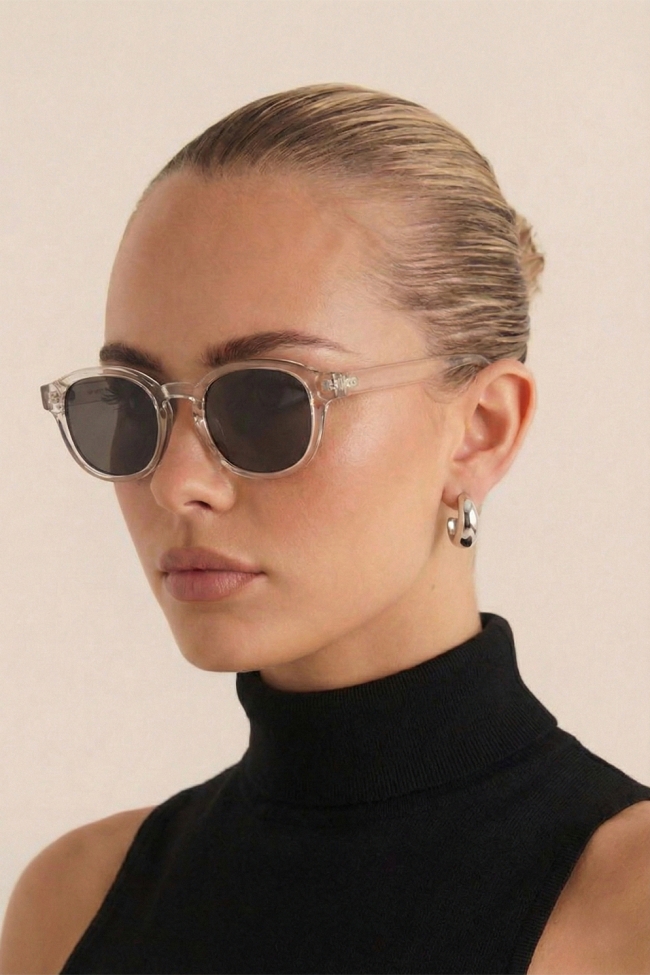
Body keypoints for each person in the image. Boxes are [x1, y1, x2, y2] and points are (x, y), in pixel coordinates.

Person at [2, 83, 649, 975]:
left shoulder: (627, 909)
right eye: (129, 404)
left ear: (481, 429)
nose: (178, 482)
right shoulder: (72, 904)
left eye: (268, 401)